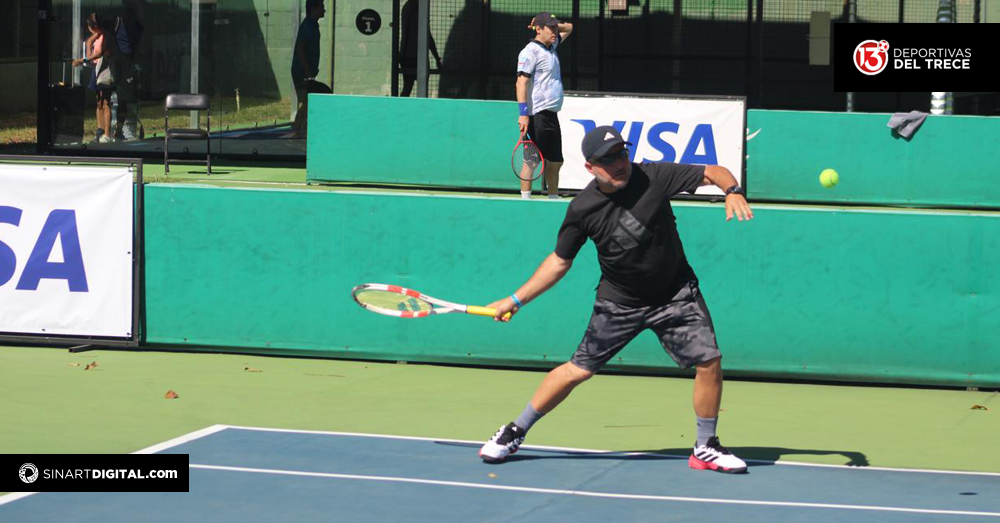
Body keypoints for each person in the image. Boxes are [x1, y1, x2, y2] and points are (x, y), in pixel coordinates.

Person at [479, 126, 754, 474]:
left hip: (675, 293)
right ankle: (514, 431)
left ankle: (705, 446)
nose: (619, 163)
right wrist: (515, 300)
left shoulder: (652, 176)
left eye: (621, 154)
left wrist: (732, 190)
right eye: (608, 160)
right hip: (619, 302)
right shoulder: (582, 209)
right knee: (576, 371)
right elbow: (559, 262)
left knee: (709, 361)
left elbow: (712, 171)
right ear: (590, 168)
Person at [516, 13, 572, 199]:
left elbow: (570, 27)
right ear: (539, 30)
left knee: (555, 162)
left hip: (551, 115)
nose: (555, 31)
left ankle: (553, 199)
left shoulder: (552, 47)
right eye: (551, 28)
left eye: (556, 27)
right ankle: (525, 201)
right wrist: (523, 114)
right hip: (536, 116)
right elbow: (521, 83)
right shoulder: (529, 52)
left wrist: (551, 25)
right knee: (531, 161)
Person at [72, 13, 116, 143]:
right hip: (96, 69)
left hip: (105, 70)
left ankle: (107, 134)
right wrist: (91, 38)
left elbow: (99, 53)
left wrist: (82, 60)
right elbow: (90, 45)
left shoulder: (107, 36)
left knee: (106, 102)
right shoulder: (98, 35)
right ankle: (100, 130)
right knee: (99, 102)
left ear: (95, 26)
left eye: (90, 27)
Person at [291, 0, 332, 139]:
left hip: (306, 71)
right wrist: (307, 69)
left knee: (308, 102)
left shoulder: (313, 25)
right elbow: (301, 48)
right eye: (322, 7)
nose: (324, 10)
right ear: (314, 9)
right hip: (301, 72)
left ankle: (299, 130)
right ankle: (297, 131)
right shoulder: (308, 25)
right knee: (307, 102)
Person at [398, 0, 442, 97]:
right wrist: (436, 57)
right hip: (416, 56)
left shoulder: (408, 7)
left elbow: (406, 34)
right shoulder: (418, 9)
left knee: (407, 88)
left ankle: (400, 109)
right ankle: (419, 110)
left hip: (408, 55)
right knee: (420, 90)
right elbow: (427, 36)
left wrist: (401, 55)